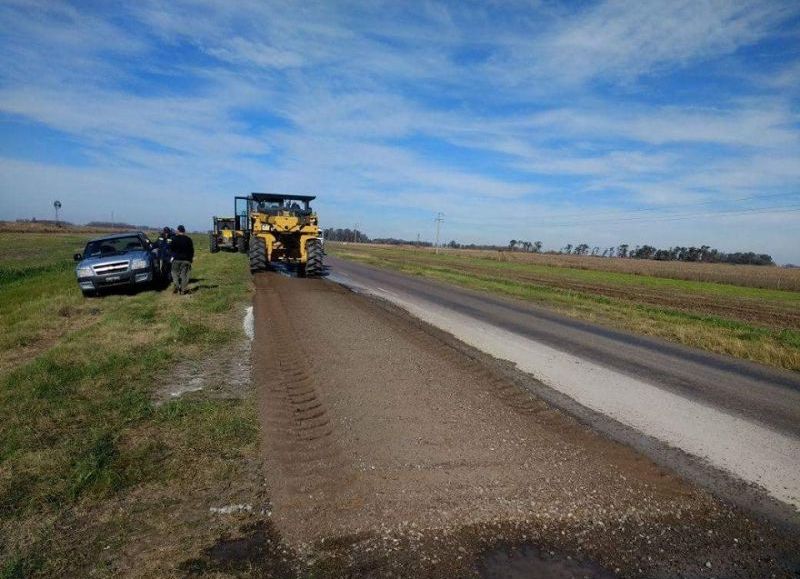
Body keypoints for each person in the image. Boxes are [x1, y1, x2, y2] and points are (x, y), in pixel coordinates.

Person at [170, 225, 194, 295]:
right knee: (184, 275)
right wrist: (191, 259)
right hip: (186, 260)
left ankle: (177, 286)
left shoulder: (174, 239)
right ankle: (183, 290)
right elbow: (191, 251)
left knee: (174, 273)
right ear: (184, 231)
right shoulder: (188, 239)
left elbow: (171, 249)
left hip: (176, 259)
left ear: (178, 230)